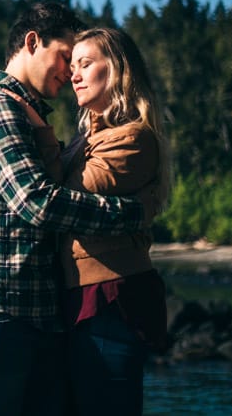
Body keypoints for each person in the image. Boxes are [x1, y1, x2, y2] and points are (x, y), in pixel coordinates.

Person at [0, 2, 153, 416]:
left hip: (40, 312)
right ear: (32, 42)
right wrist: (129, 214)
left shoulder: (30, 116)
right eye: (65, 57)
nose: (70, 71)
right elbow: (37, 203)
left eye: (80, 62)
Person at [61, 28, 170, 416]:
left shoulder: (134, 138)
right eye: (72, 66)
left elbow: (66, 194)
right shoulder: (88, 140)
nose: (74, 75)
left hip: (110, 297)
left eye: (85, 64)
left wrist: (37, 139)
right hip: (85, 295)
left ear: (119, 70)